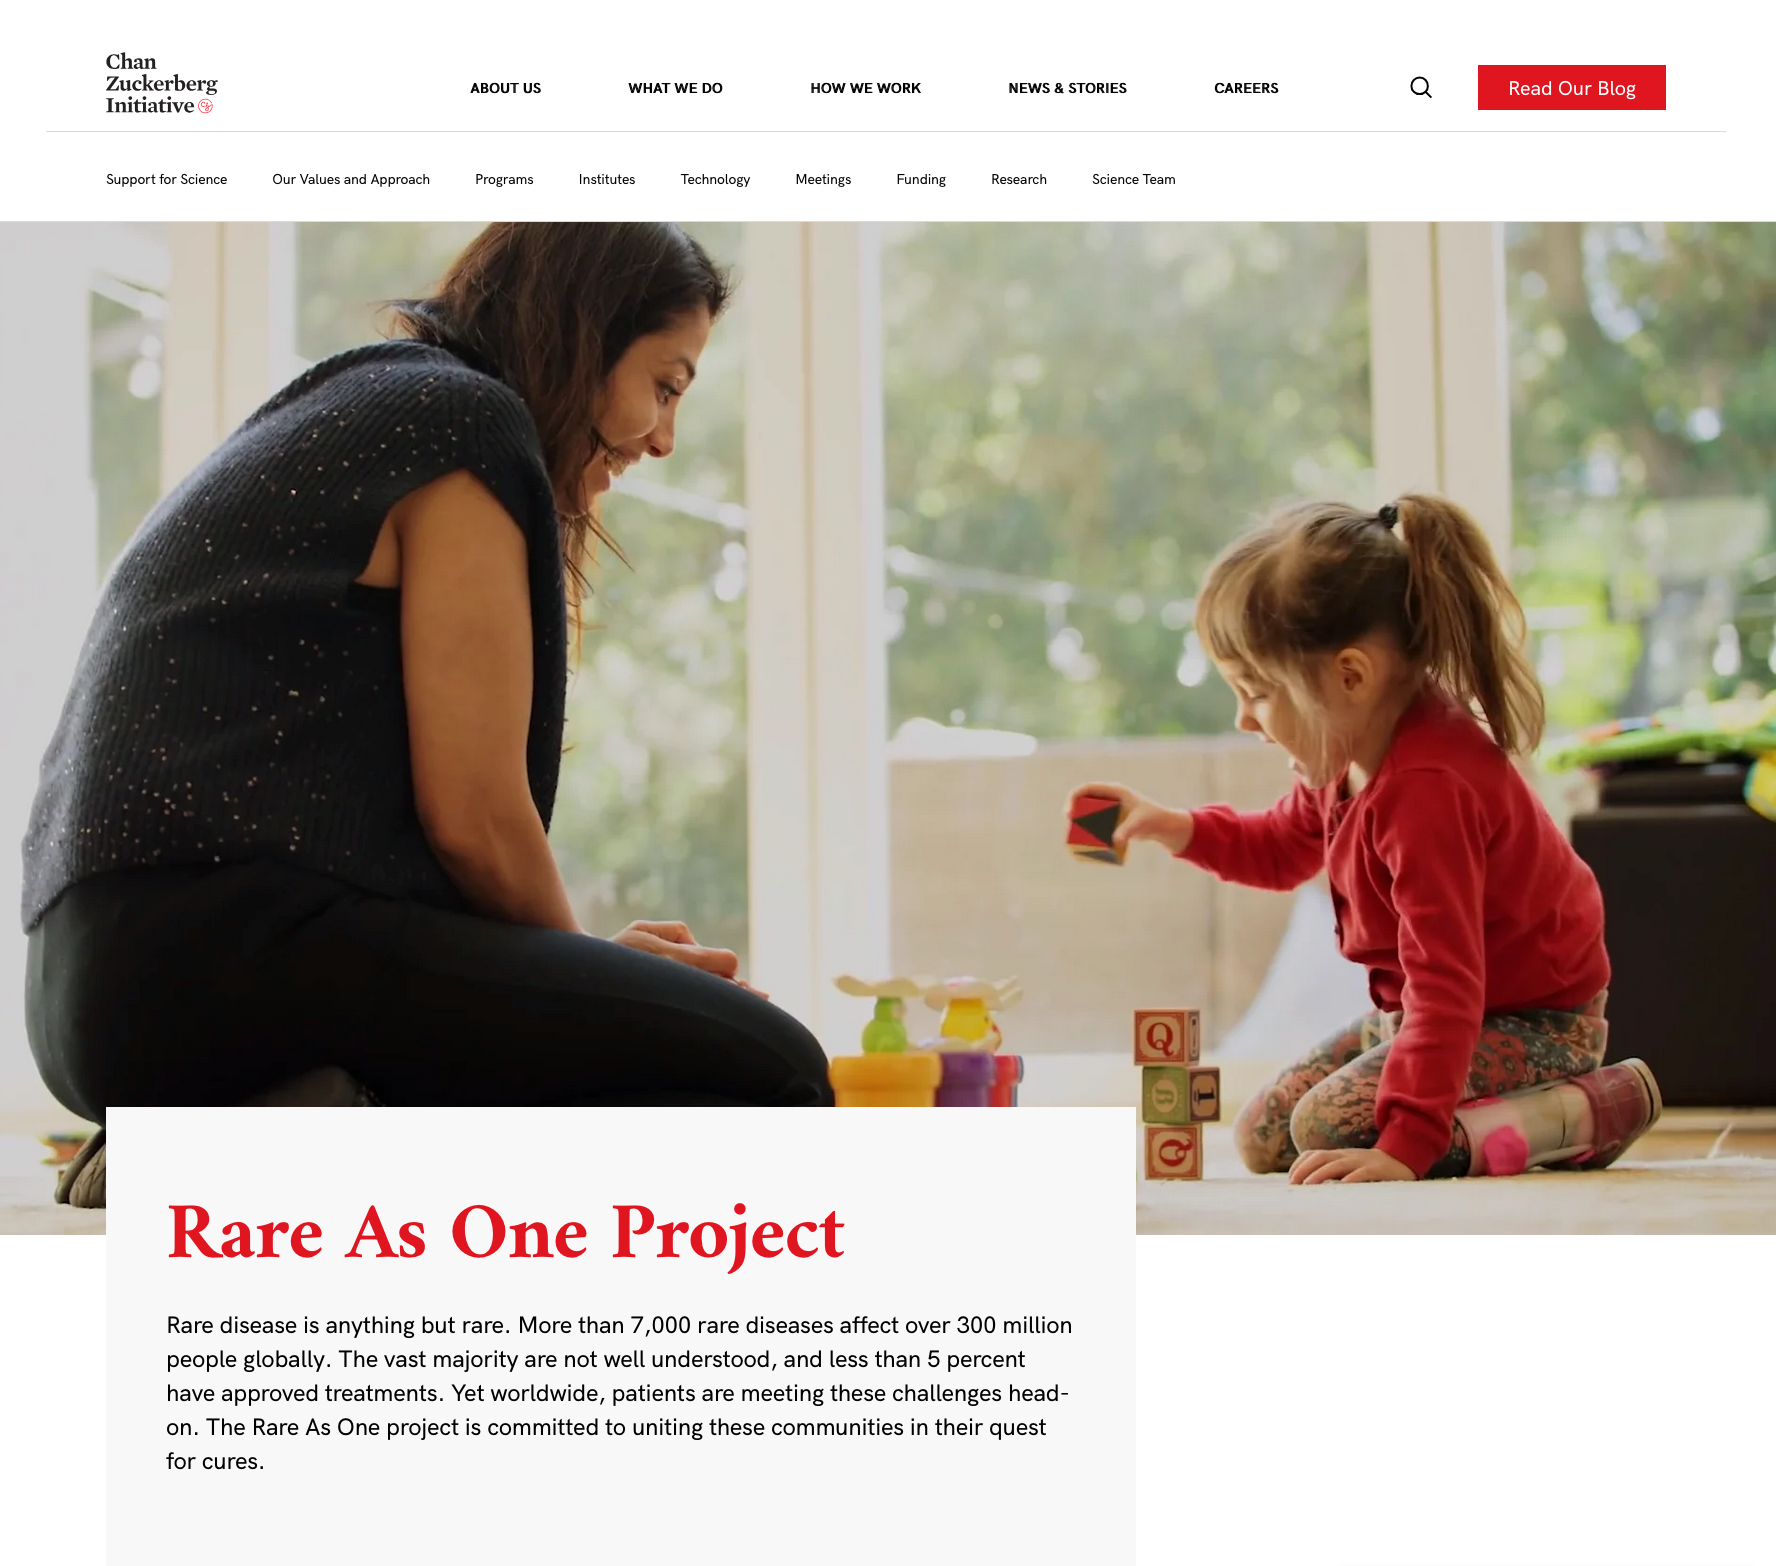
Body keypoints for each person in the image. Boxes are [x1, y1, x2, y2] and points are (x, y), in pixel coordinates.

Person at [23, 222, 832, 1155]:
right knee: (770, 1062)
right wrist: (582, 985)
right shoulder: (460, 426)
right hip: (200, 961)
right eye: (663, 385)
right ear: (582, 333)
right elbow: (476, 819)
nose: (665, 440)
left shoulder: (369, 399)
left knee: (632, 1044)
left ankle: (265, 1124)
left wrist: (584, 976)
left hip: (94, 991)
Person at [1068, 495, 1661, 1183]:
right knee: (1262, 1135)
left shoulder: (1429, 790)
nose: (1243, 719)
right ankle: (1465, 1111)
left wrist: (1404, 1148)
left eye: (1257, 691)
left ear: (1350, 675)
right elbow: (1282, 848)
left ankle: (1588, 1112)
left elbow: (1448, 984)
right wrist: (1175, 827)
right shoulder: (1345, 749)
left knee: (1326, 1127)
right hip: (1421, 1013)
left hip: (1536, 1023)